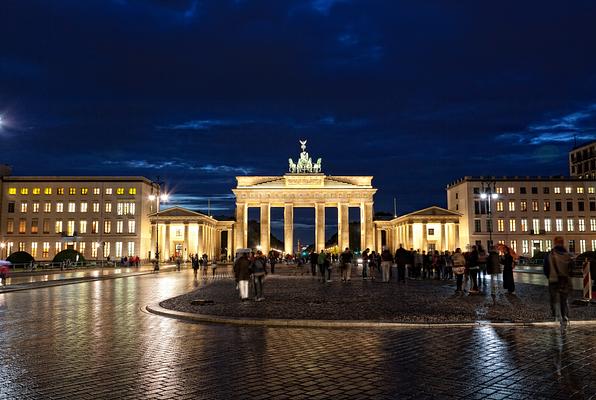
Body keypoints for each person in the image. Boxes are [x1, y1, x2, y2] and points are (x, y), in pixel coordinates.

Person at [543, 236, 574, 329]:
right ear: (563, 242)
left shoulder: (550, 254)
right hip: (564, 279)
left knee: (553, 297)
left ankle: (554, 313)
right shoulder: (568, 255)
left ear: (555, 243)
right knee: (563, 299)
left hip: (553, 279)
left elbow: (545, 268)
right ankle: (564, 315)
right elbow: (572, 268)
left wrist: (549, 276)